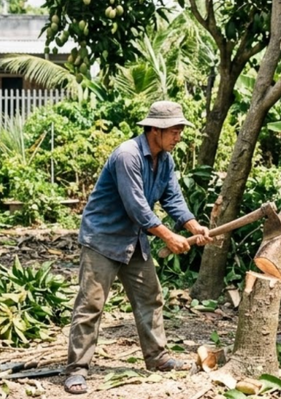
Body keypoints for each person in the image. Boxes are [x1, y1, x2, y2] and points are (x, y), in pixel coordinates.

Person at [63, 101, 211, 395]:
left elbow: (173, 198)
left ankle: (158, 358)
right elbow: (137, 207)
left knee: (150, 298)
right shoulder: (127, 155)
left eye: (180, 131)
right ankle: (76, 370)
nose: (178, 137)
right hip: (103, 239)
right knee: (91, 304)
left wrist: (194, 226)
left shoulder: (165, 161)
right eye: (174, 131)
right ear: (155, 130)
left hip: (134, 240)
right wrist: (168, 236)